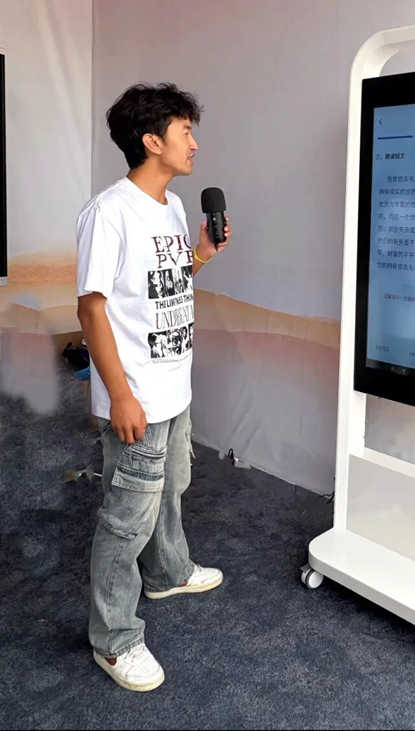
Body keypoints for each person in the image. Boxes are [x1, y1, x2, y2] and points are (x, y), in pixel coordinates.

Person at [76, 82, 230, 692]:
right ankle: (113, 639)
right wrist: (119, 394)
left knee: (172, 488)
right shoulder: (108, 212)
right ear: (152, 141)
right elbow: (92, 308)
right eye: (185, 131)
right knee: (126, 519)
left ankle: (167, 572)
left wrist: (201, 255)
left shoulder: (173, 206)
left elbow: (165, 280)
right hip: (136, 391)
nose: (195, 143)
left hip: (174, 384)